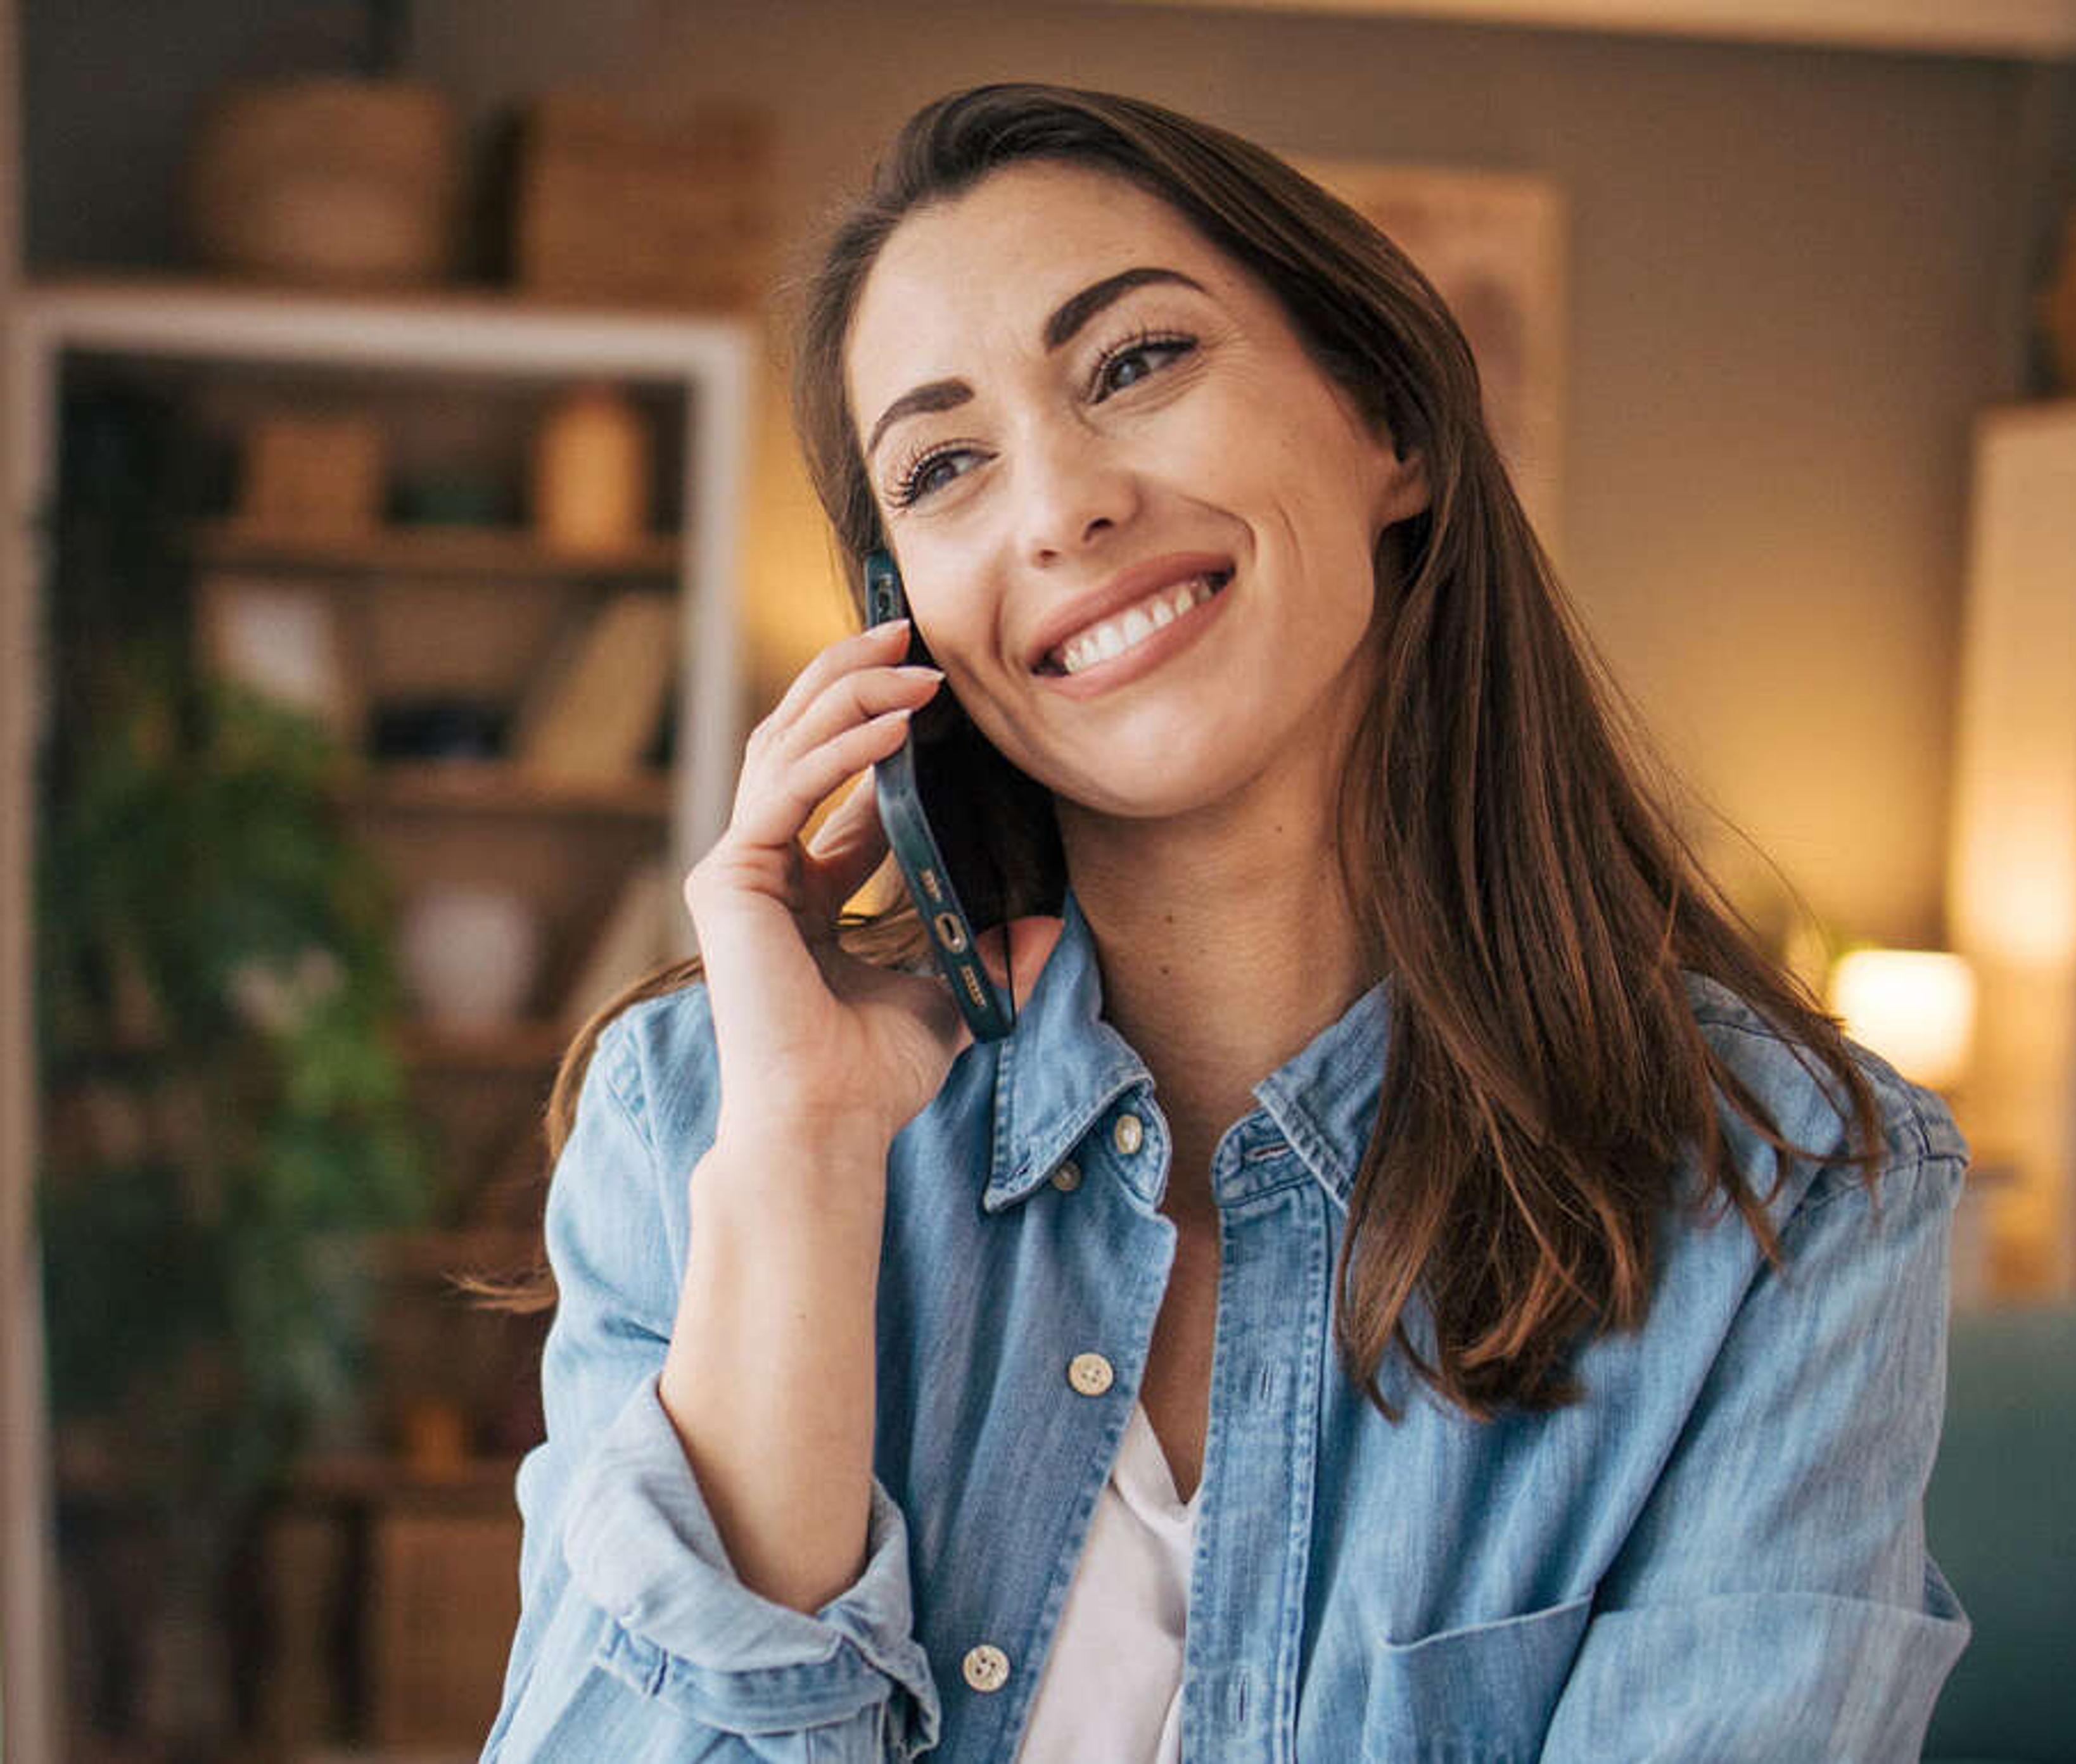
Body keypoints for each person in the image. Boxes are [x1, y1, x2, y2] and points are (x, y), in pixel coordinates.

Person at [476, 81, 1973, 1764]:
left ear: (1389, 423)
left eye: (1133, 364)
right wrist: (802, 1172)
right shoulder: (705, 1122)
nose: (1058, 509)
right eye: (945, 464)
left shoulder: (1782, 1194)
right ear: (905, 622)